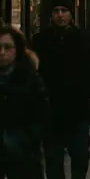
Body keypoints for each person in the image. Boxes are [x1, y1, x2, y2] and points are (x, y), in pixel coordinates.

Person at [32, 0, 90, 179]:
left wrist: (86, 92)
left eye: (64, 11)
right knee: (53, 158)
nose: (60, 15)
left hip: (77, 109)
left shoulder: (83, 38)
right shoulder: (40, 40)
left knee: (80, 155)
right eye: (56, 11)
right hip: (50, 110)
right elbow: (33, 72)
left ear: (71, 14)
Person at [0, 26, 49, 178]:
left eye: (7, 47)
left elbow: (41, 115)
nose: (2, 52)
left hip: (23, 155)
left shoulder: (30, 79)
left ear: (17, 49)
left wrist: (26, 140)